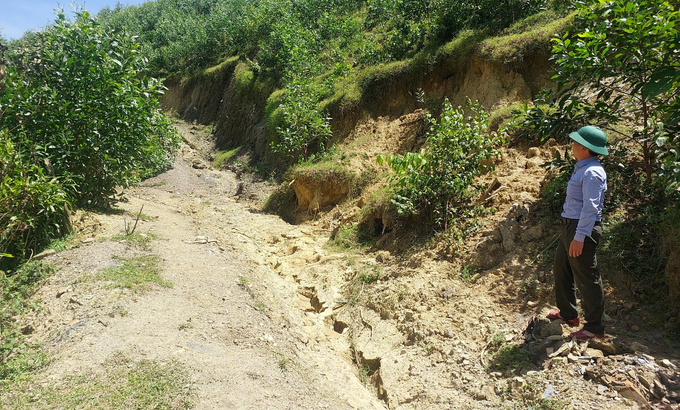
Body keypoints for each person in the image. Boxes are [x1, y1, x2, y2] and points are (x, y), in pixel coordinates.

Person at [548, 126, 608, 340]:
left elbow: (591, 208)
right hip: (570, 226)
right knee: (561, 269)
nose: (572, 145)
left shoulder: (592, 172)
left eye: (575, 143)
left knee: (587, 276)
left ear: (584, 147)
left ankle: (594, 327)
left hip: (581, 227)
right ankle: (568, 314)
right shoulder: (582, 167)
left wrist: (580, 236)